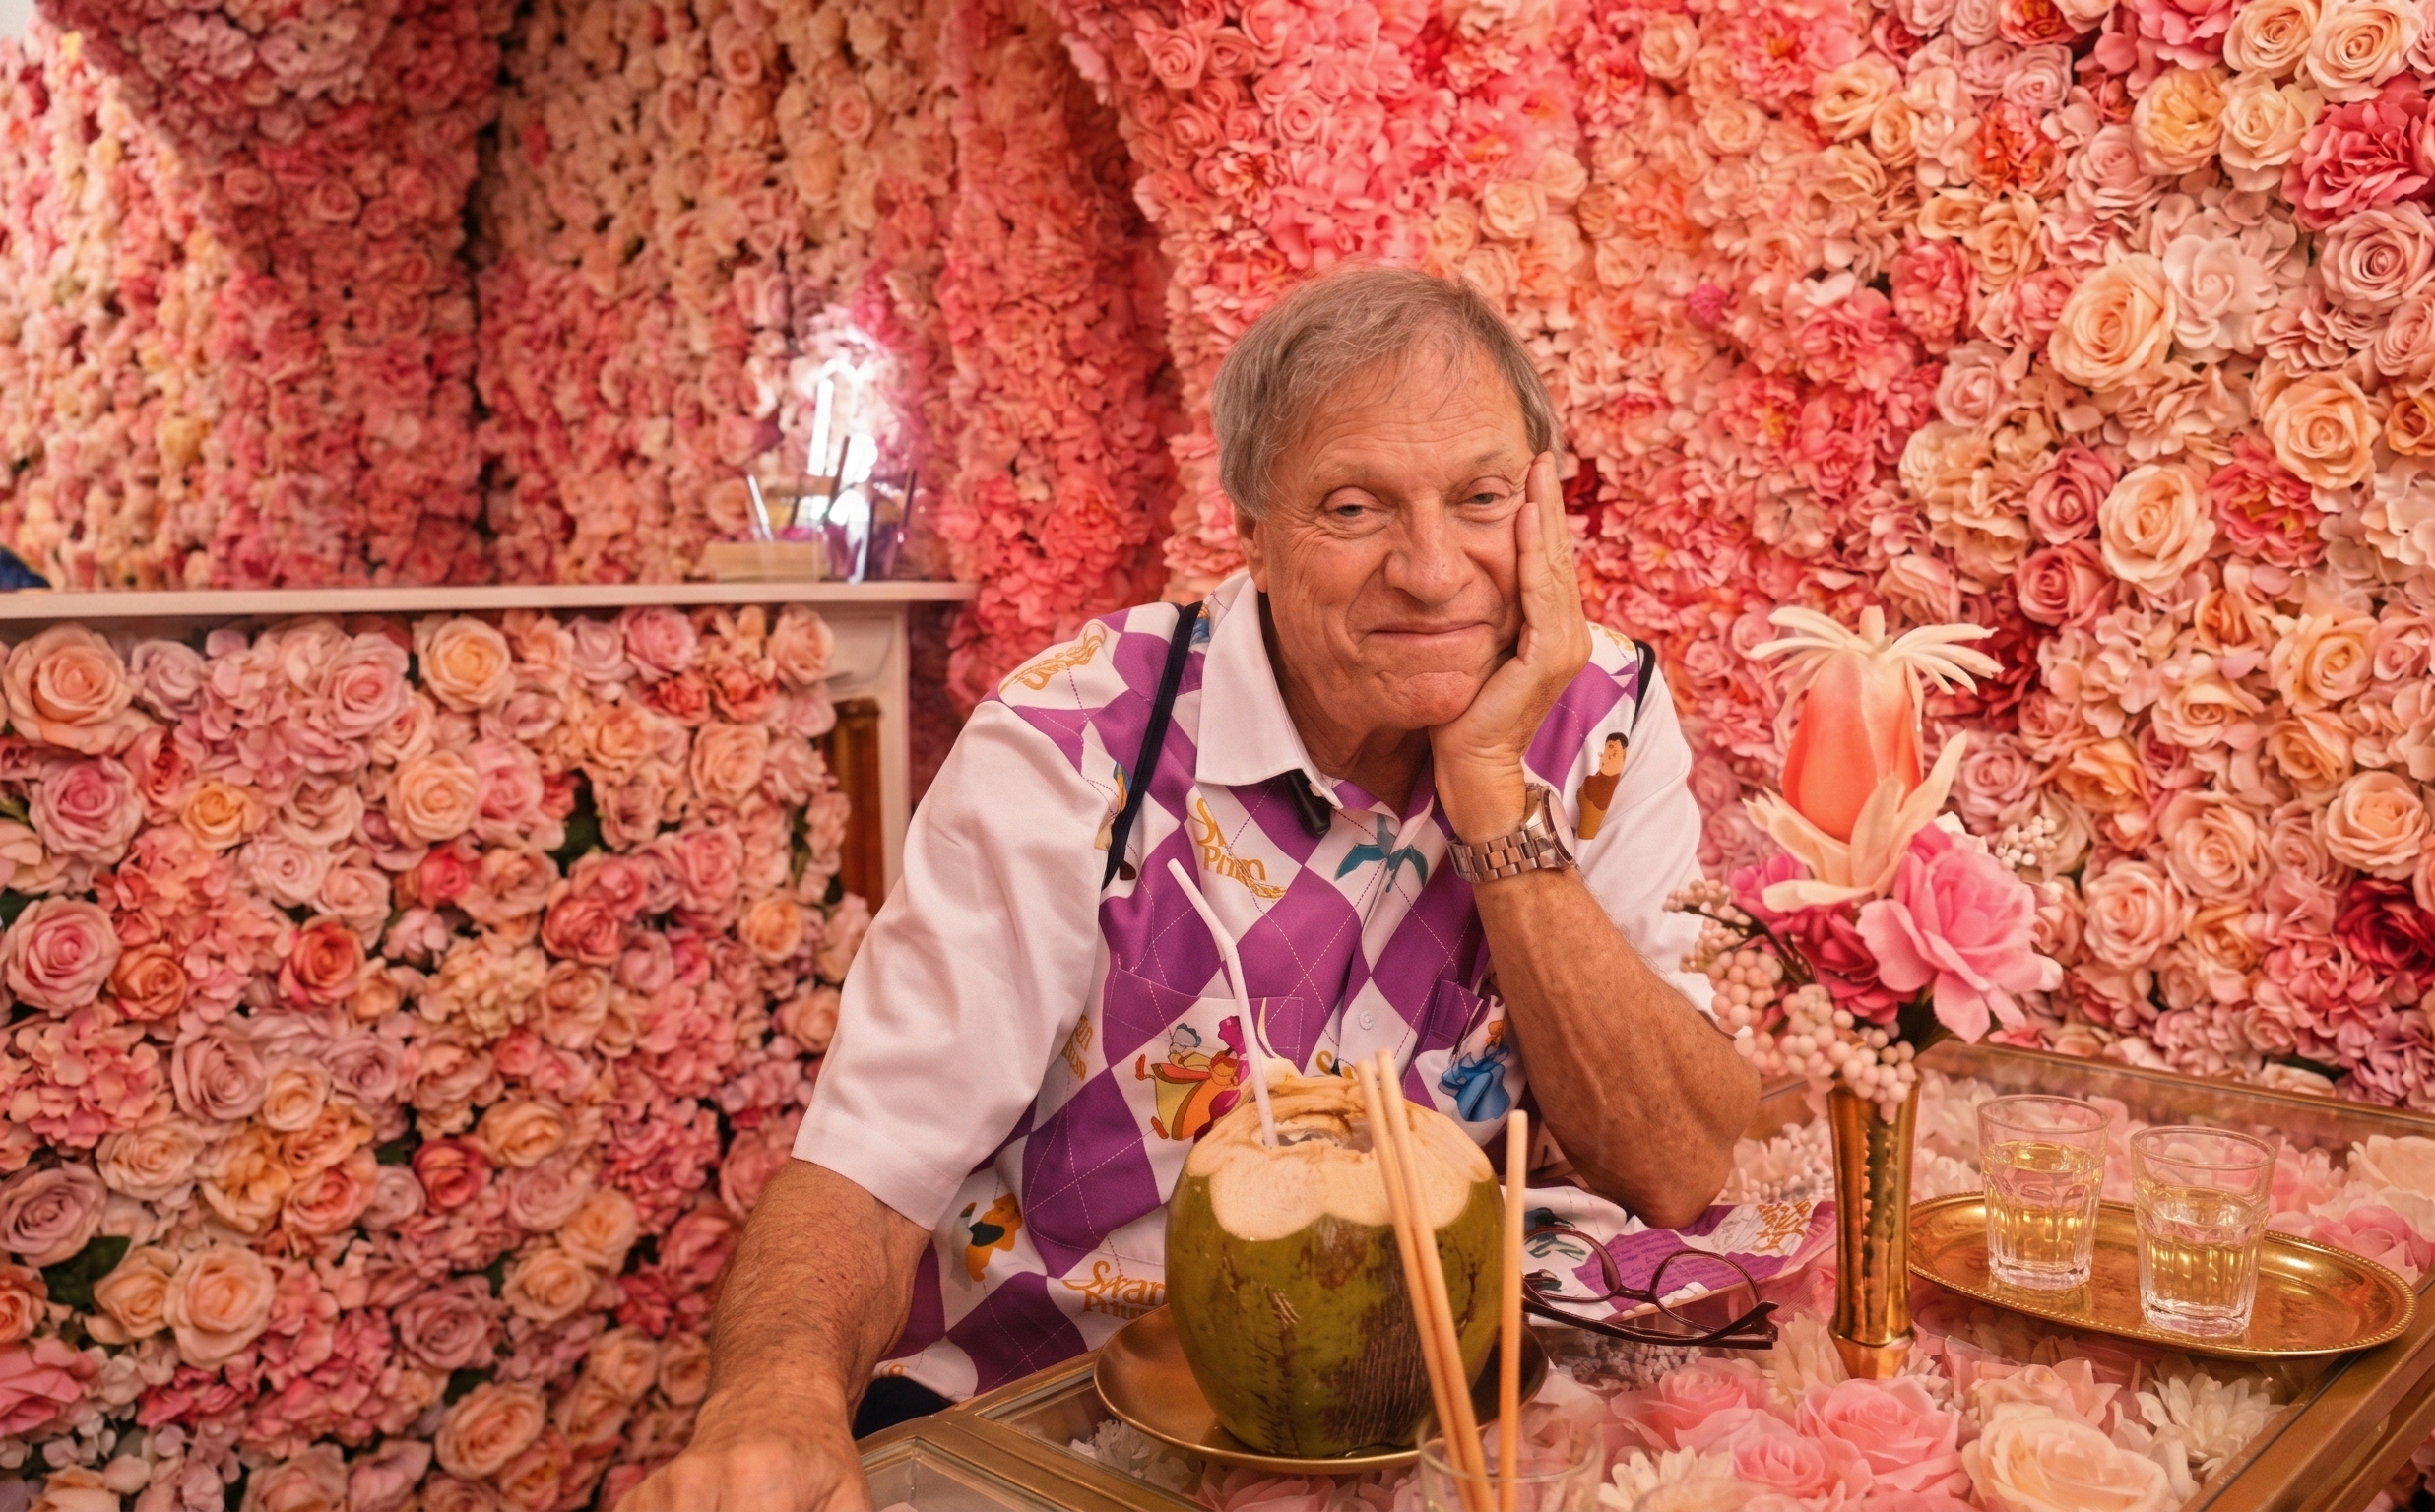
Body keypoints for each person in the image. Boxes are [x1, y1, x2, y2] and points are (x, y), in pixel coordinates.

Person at [625, 267, 1760, 1512]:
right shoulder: (1074, 742)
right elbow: (870, 1165)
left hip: (1420, 1432)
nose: (1435, 572)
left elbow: (1671, 1165)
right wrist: (773, 1399)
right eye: (1353, 507)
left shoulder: (1600, 716)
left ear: (1539, 506)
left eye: (1481, 499)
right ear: (1252, 527)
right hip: (1049, 1414)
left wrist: (1489, 789)